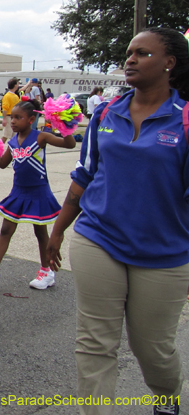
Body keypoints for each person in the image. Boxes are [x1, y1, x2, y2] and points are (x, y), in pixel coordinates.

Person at [47, 28, 189, 415]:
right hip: (98, 240)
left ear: (169, 63)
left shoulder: (185, 121)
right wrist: (58, 230)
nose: (130, 59)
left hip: (164, 253)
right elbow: (85, 175)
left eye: (142, 53)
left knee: (152, 347)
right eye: (129, 52)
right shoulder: (108, 112)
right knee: (95, 342)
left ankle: (166, 398)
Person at [0, 99, 75, 289]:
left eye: (18, 118)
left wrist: (65, 126)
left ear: (31, 119)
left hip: (39, 192)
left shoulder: (41, 137)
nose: (13, 121)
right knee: (5, 230)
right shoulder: (12, 142)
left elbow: (69, 145)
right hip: (18, 192)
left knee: (41, 232)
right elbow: (3, 163)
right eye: (12, 117)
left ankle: (47, 272)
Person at [1, 78, 21, 144]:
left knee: (14, 136)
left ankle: (13, 150)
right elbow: (5, 108)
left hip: (15, 117)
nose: (18, 86)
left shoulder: (16, 96)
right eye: (18, 84)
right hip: (9, 117)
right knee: (6, 135)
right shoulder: (7, 96)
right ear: (15, 85)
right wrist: (4, 119)